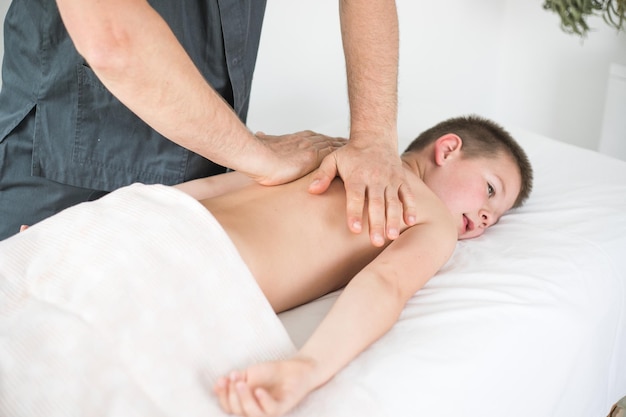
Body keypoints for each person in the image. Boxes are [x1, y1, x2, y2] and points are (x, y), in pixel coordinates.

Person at [167, 115, 532, 416]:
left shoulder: (330, 147)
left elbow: (216, 187)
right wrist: (307, 368)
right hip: (195, 271)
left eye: (495, 218)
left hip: (153, 226)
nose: (486, 217)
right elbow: (386, 285)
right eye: (489, 190)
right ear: (448, 149)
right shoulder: (430, 215)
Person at [0, 0, 414, 245]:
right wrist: (261, 159)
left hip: (213, 164)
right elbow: (112, 37)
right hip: (62, 164)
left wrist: (374, 136)